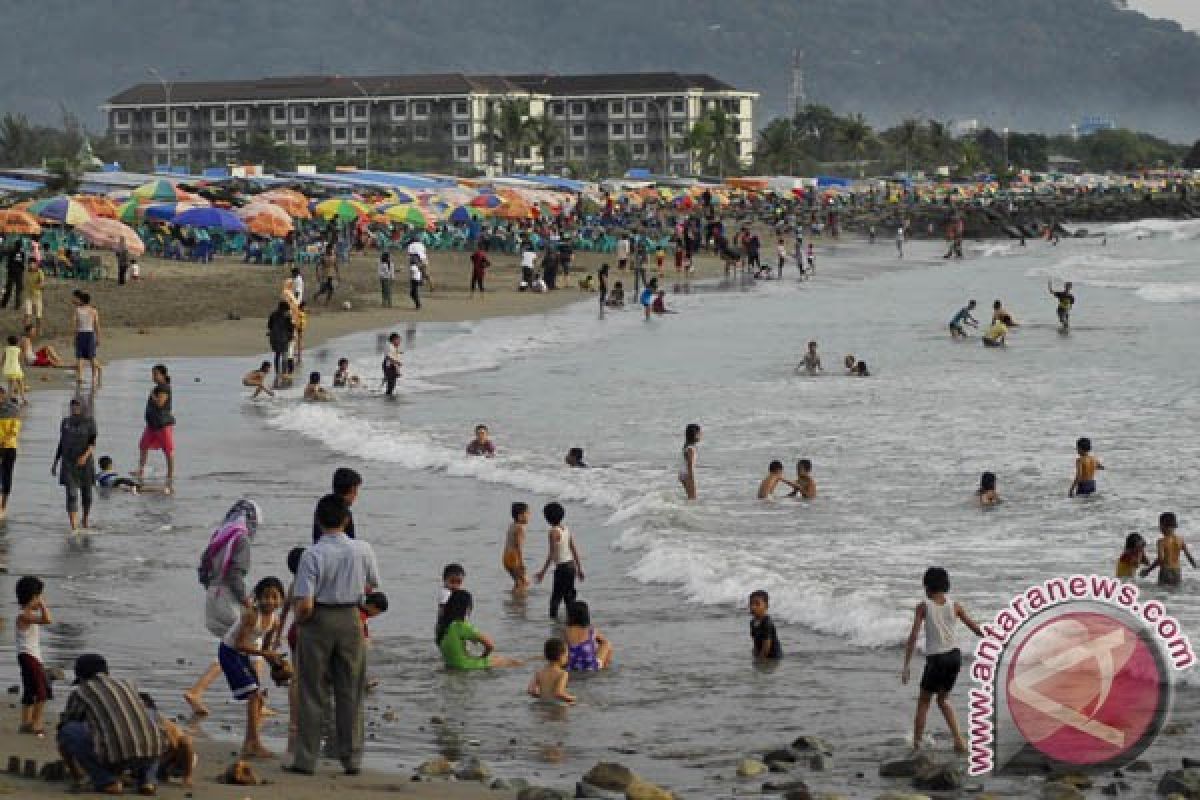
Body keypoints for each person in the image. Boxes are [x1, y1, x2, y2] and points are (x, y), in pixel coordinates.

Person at [289, 493, 381, 776]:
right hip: (352, 617)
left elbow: (304, 601)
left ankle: (306, 759)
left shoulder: (312, 554)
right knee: (350, 690)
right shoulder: (363, 549)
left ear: (318, 521)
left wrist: (301, 621)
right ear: (347, 519)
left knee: (312, 690)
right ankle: (351, 758)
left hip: (319, 618)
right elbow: (373, 586)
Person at [185, 499, 263, 717]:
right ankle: (198, 691)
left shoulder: (220, 536)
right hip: (229, 598)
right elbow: (235, 574)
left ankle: (257, 701)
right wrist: (246, 601)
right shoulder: (242, 539)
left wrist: (213, 590)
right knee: (250, 644)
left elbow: (203, 568)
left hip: (214, 595)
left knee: (234, 646)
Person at [901, 567, 984, 754]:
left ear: (927, 586)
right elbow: (975, 628)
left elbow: (913, 636)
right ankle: (959, 740)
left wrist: (906, 666)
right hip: (955, 657)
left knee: (924, 701)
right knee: (943, 699)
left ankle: (917, 744)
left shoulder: (923, 607)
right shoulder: (955, 606)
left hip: (937, 659)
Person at [57, 654, 164, 796]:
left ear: (81, 676)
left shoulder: (82, 691)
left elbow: (69, 721)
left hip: (116, 755)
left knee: (68, 731)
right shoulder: (128, 684)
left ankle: (107, 781)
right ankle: (148, 781)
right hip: (153, 751)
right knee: (148, 718)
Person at [219, 576, 286, 758]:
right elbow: (240, 644)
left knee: (258, 697)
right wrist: (266, 655)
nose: (270, 601)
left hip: (243, 654)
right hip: (229, 652)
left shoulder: (275, 620)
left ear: (282, 599)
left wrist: (276, 665)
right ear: (258, 597)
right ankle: (253, 743)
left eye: (275, 597)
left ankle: (251, 742)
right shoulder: (251, 615)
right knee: (254, 694)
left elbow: (265, 648)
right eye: (265, 596)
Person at [51, 397, 97, 534]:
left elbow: (92, 443)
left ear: (83, 407)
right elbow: (61, 442)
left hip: (85, 464)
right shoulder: (65, 422)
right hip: (68, 463)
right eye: (72, 405)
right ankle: (74, 527)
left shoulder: (90, 422)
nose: (74, 408)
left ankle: (85, 519)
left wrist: (84, 456)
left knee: (87, 495)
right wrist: (55, 461)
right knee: (71, 494)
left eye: (77, 405)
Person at [15, 575, 52, 735]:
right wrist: (43, 605)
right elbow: (48, 620)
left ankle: (26, 723)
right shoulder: (24, 615)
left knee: (30, 690)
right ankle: (36, 724)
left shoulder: (25, 614)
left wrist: (39, 602)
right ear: (32, 597)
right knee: (42, 692)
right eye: (39, 596)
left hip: (29, 657)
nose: (41, 599)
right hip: (29, 657)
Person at [535, 502, 584, 619]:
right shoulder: (566, 529)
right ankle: (571, 620)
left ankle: (553, 623)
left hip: (561, 568)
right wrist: (579, 568)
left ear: (548, 518)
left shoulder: (553, 531)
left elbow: (551, 554)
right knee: (569, 596)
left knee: (556, 598)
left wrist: (542, 572)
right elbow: (573, 548)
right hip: (571, 566)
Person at [139, 693, 195, 788]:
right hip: (159, 758)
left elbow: (175, 747)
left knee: (185, 742)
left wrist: (160, 763)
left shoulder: (161, 722)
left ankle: (187, 776)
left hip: (177, 759)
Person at [137, 365, 175, 485]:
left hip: (162, 424)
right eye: (152, 374)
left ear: (163, 375)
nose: (153, 376)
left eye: (156, 374)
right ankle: (140, 470)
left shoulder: (163, 388)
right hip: (152, 424)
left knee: (168, 449)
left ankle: (170, 474)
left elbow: (160, 403)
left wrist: (152, 394)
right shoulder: (158, 387)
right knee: (143, 445)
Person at [1142, 512, 1195, 586]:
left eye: (1160, 525)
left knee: (1162, 591)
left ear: (1162, 526)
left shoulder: (1161, 542)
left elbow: (1160, 559)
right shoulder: (1180, 540)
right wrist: (1194, 565)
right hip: (1177, 571)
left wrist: (1148, 570)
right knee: (1175, 591)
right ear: (1175, 525)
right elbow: (1189, 556)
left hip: (1166, 571)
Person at [311, 467, 360, 544]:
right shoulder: (345, 512)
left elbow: (316, 539)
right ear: (353, 489)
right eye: (356, 491)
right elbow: (351, 540)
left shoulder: (323, 506)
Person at [564, 600, 613, 671]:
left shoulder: (566, 631)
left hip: (572, 666)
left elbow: (563, 650)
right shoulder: (591, 630)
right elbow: (604, 642)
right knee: (607, 644)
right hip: (590, 666)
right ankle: (605, 666)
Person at [528, 639, 575, 704]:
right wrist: (572, 698)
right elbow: (558, 693)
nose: (568, 658)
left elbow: (531, 691)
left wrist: (544, 697)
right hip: (557, 706)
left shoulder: (539, 672)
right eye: (566, 656)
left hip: (541, 704)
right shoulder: (563, 673)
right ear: (560, 656)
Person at [72, 291, 100, 387]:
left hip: (80, 333)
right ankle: (94, 377)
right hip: (90, 334)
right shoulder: (93, 310)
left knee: (80, 357)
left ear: (81, 300)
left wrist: (75, 337)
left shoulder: (77, 310)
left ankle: (79, 377)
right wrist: (98, 337)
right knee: (92, 356)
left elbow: (75, 324)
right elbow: (96, 325)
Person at [504, 502, 530, 594]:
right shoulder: (520, 528)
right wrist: (521, 563)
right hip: (513, 558)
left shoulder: (512, 525)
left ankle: (514, 599)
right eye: (527, 513)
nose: (529, 516)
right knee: (523, 582)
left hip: (506, 557)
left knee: (518, 581)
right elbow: (519, 547)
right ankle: (517, 603)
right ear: (520, 516)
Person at [748, 589, 782, 660]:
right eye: (751, 603)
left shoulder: (767, 623)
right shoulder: (752, 622)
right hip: (763, 654)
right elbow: (755, 641)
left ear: (766, 606)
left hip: (774, 657)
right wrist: (755, 653)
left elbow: (767, 645)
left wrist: (760, 660)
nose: (753, 607)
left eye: (757, 604)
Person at [0, 387, 17, 519]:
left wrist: (4, 441)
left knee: (7, 476)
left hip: (9, 447)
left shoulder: (12, 409)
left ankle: (3, 507)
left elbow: (14, 430)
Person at [266, 302, 294, 382]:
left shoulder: (273, 314)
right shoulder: (287, 316)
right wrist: (291, 335)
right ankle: (284, 373)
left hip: (274, 337)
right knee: (284, 355)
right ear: (284, 309)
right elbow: (290, 327)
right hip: (283, 337)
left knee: (277, 355)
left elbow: (269, 325)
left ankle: (277, 373)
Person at [679, 423, 701, 500]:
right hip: (687, 475)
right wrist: (691, 479)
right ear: (694, 435)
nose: (701, 436)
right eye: (699, 434)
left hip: (683, 474)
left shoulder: (686, 446)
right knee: (693, 498)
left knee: (690, 497)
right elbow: (690, 465)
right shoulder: (690, 449)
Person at [1, 238, 24, 310]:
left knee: (8, 289)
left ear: (15, 245)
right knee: (18, 290)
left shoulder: (12, 252)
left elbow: (9, 262)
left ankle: (4, 304)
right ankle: (17, 305)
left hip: (11, 273)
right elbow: (22, 264)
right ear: (21, 246)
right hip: (18, 273)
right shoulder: (22, 253)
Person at [23, 259, 44, 328]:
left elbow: (42, 284)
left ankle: (39, 329)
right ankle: (27, 329)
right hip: (28, 295)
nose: (31, 265)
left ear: (36, 264)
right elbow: (25, 282)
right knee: (28, 313)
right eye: (30, 264)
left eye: (33, 264)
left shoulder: (40, 272)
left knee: (38, 315)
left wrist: (40, 285)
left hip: (37, 296)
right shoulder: (27, 272)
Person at [382, 332, 402, 396]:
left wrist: (398, 371)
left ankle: (389, 398)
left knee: (392, 384)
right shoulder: (389, 346)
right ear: (394, 340)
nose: (399, 342)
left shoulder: (395, 347)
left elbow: (396, 359)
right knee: (391, 384)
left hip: (392, 366)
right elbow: (388, 357)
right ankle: (388, 397)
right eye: (398, 340)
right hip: (388, 366)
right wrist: (397, 363)